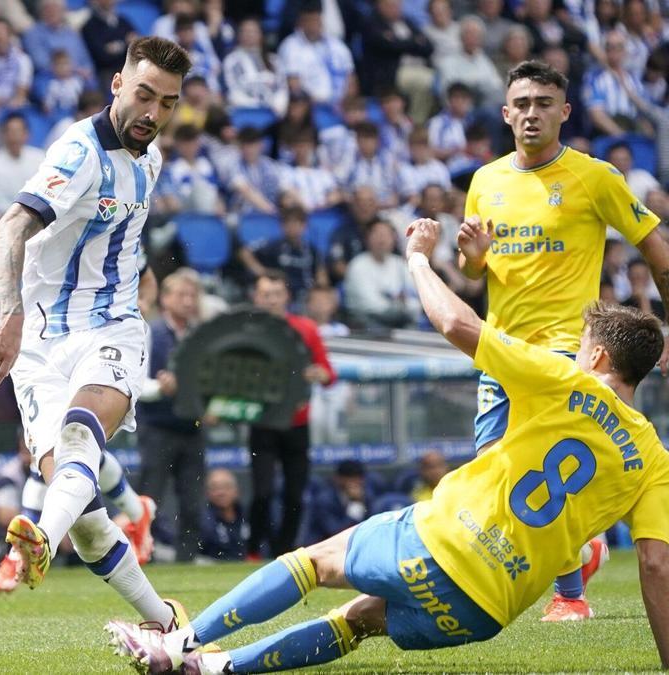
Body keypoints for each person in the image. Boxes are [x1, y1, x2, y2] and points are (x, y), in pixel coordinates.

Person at [107, 217, 669, 674]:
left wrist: (419, 258)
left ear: (595, 358)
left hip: (444, 542)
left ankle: (179, 643)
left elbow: (455, 321)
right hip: (488, 610)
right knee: (359, 620)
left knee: (315, 562)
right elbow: (656, 565)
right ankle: (212, 669)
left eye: (581, 347)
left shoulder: (566, 380)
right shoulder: (652, 458)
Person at [0, 36, 192, 632]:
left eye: (168, 103)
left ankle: (36, 540)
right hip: (41, 339)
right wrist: (10, 313)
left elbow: (120, 240)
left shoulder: (150, 157)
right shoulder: (78, 155)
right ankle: (168, 623)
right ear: (118, 85)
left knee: (80, 439)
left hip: (112, 324)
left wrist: (141, 290)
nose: (153, 113)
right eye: (145, 95)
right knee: (90, 518)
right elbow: (7, 232)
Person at [459, 60, 669, 621]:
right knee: (495, 472)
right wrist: (472, 259)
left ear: (565, 112)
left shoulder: (595, 177)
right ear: (506, 114)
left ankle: (570, 596)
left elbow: (656, 249)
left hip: (567, 350)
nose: (532, 113)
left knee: (535, 465)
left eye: (543, 103)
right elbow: (473, 270)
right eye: (522, 104)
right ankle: (582, 555)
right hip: (500, 349)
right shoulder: (486, 181)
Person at [245, 272, 336, 559]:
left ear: (286, 297)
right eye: (266, 294)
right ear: (256, 298)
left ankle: (283, 553)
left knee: (295, 495)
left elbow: (328, 373)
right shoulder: (247, 330)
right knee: (262, 492)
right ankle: (253, 551)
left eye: (276, 293)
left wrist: (317, 373)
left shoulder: (306, 329)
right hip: (262, 422)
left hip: (297, 423)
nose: (271, 299)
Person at [136, 267, 205, 562]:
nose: (188, 301)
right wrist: (162, 388)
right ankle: (141, 555)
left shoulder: (200, 335)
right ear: (165, 299)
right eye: (181, 294)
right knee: (150, 498)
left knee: (192, 501)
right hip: (158, 426)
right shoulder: (149, 332)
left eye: (193, 295)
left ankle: (186, 557)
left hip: (192, 427)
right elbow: (137, 383)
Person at [198, 469, 249, 562]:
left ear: (237, 491)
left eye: (226, 487)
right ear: (207, 493)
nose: (221, 493)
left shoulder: (249, 517)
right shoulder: (202, 521)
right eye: (215, 488)